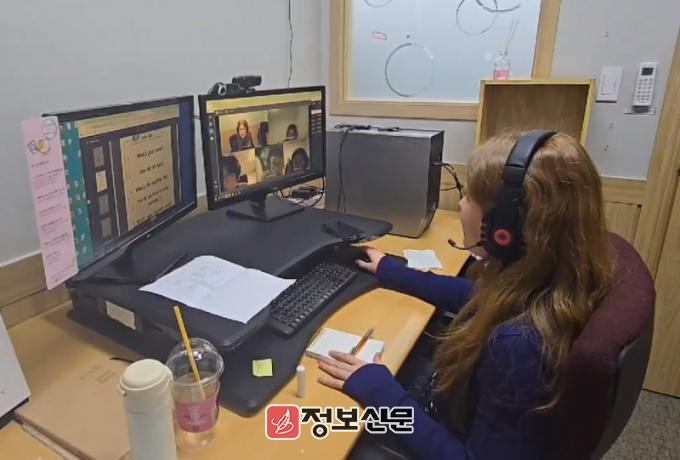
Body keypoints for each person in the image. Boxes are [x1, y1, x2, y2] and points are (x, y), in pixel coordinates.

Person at [317, 132, 615, 459]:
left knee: (320, 425)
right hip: (454, 406)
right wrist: (392, 271)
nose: (460, 205)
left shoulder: (518, 346)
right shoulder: (545, 286)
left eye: (471, 197)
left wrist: (381, 393)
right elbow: (474, 294)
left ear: (505, 229)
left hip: (437, 429)